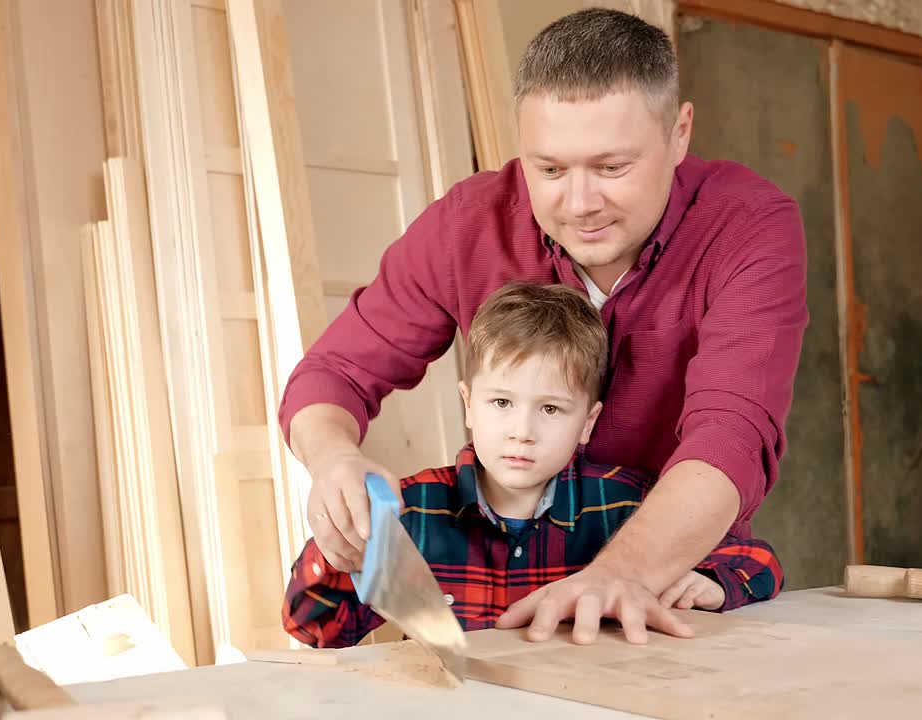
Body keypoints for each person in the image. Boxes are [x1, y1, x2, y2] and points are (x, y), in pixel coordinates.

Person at [278, 8, 807, 645]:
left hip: (668, 590)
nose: (578, 204)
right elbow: (334, 373)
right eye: (549, 170)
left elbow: (731, 436)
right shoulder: (467, 225)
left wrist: (622, 573)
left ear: (679, 132)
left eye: (612, 168)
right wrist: (333, 456)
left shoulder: (749, 227)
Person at [281, 283, 783, 648]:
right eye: (501, 403)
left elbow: (759, 563)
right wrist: (335, 552)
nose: (523, 430)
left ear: (587, 423)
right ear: (468, 404)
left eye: (550, 409)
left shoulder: (628, 504)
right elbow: (315, 628)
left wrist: (714, 585)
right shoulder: (411, 511)